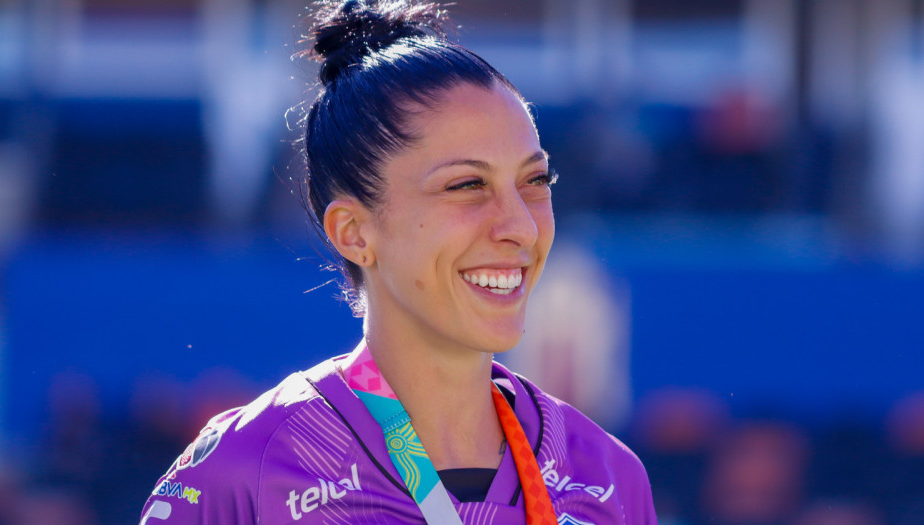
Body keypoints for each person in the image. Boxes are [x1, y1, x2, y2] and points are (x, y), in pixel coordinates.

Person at [138, 0, 657, 523]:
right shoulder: (247, 471)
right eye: (468, 185)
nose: (521, 225)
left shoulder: (608, 477)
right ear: (354, 232)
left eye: (535, 181)